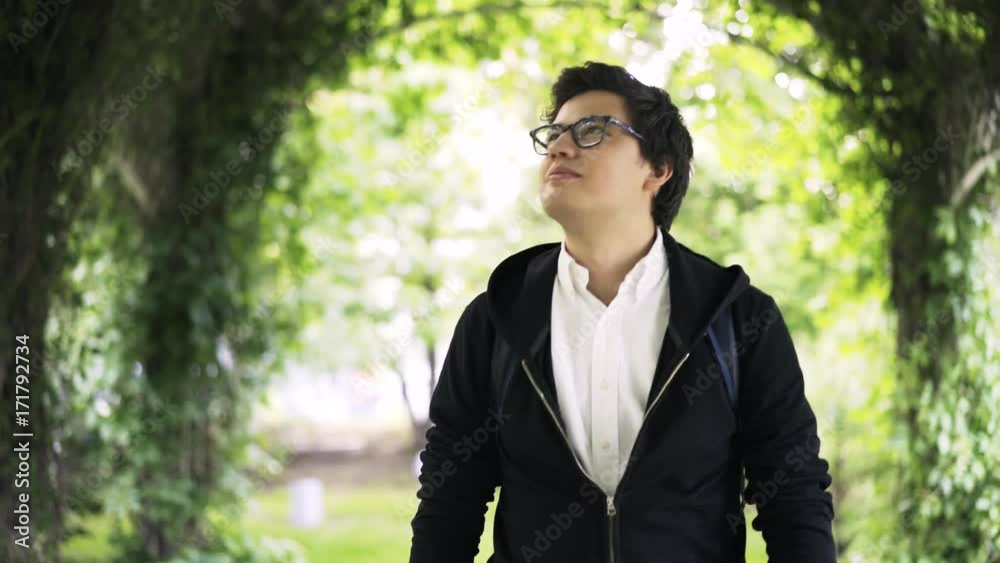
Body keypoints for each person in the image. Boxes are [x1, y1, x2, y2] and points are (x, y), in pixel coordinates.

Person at [409, 61, 836, 563]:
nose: (560, 147)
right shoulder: (495, 320)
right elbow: (449, 499)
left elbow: (794, 496)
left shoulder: (739, 320)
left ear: (658, 169)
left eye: (592, 131)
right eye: (554, 134)